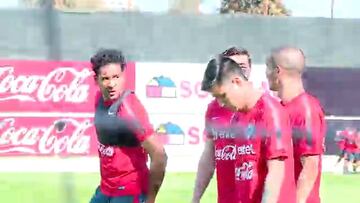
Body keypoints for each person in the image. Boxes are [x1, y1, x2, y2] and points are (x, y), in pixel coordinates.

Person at [200, 56, 296, 203]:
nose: (221, 103)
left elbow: (276, 172)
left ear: (237, 82)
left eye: (223, 96)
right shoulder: (238, 117)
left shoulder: (270, 112)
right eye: (216, 98)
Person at [89, 49, 167, 203]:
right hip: (106, 189)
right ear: (96, 79)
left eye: (116, 77)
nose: (112, 84)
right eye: (105, 79)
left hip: (130, 192)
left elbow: (159, 155)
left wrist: (151, 199)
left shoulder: (130, 110)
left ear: (124, 75)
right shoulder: (99, 98)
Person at [265, 46, 326, 203]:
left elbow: (310, 166)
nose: (266, 74)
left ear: (277, 71)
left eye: (268, 68)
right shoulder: (280, 109)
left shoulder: (305, 109)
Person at [192, 47, 252, 203]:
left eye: (243, 67)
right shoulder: (213, 109)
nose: (238, 71)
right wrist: (195, 198)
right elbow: (209, 155)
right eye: (234, 66)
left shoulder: (264, 109)